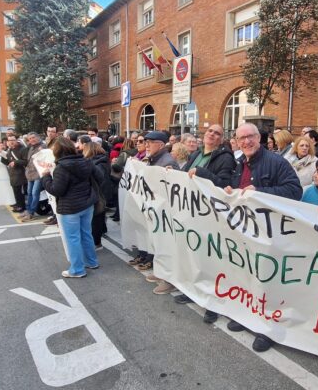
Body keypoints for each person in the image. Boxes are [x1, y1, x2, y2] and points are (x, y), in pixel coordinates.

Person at [223, 122, 301, 353]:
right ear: (236, 141)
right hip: (245, 230)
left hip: (269, 233)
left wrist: (261, 193)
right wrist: (230, 191)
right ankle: (247, 315)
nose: (246, 142)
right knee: (246, 275)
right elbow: (237, 189)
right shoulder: (239, 162)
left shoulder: (276, 162)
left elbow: (294, 190)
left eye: (250, 137)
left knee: (267, 282)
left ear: (260, 138)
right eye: (241, 138)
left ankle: (267, 329)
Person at [173, 124, 236, 311]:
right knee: (194, 254)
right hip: (192, 210)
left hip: (210, 215)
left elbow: (223, 184)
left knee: (210, 260)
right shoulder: (196, 154)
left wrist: (203, 173)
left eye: (217, 133)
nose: (212, 134)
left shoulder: (225, 158)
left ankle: (212, 303)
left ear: (221, 138)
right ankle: (193, 290)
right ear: (205, 133)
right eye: (210, 131)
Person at [41, 137, 101, 278]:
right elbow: (99, 177)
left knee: (73, 239)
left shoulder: (61, 167)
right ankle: (92, 262)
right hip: (87, 204)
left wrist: (45, 177)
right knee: (86, 233)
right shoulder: (86, 160)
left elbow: (57, 190)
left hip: (70, 208)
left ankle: (77, 269)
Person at [128, 131, 179, 294]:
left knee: (166, 246)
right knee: (158, 244)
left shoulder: (167, 161)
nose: (146, 144)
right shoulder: (154, 159)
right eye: (146, 142)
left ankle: (169, 280)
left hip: (165, 213)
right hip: (155, 210)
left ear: (161, 145)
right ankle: (161, 272)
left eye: (150, 142)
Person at [83, 140, 112, 251]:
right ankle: (98, 237)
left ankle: (97, 242)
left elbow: (100, 179)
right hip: (100, 192)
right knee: (98, 218)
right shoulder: (101, 160)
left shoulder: (98, 162)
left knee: (96, 219)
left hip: (99, 193)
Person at [21, 132, 47, 222]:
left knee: (35, 193)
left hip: (38, 174)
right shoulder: (31, 147)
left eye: (33, 137)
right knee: (29, 193)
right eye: (30, 138)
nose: (32, 140)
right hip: (30, 174)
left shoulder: (43, 146)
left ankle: (31, 212)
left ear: (38, 137)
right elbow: (29, 161)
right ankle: (28, 210)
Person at [2, 135, 28, 213]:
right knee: (16, 191)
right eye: (9, 140)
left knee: (20, 191)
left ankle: (21, 206)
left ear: (16, 140)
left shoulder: (22, 149)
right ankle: (18, 204)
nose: (11, 142)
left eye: (13, 140)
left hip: (21, 174)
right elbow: (8, 162)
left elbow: (26, 161)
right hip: (13, 174)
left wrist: (16, 162)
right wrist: (1, 155)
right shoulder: (10, 150)